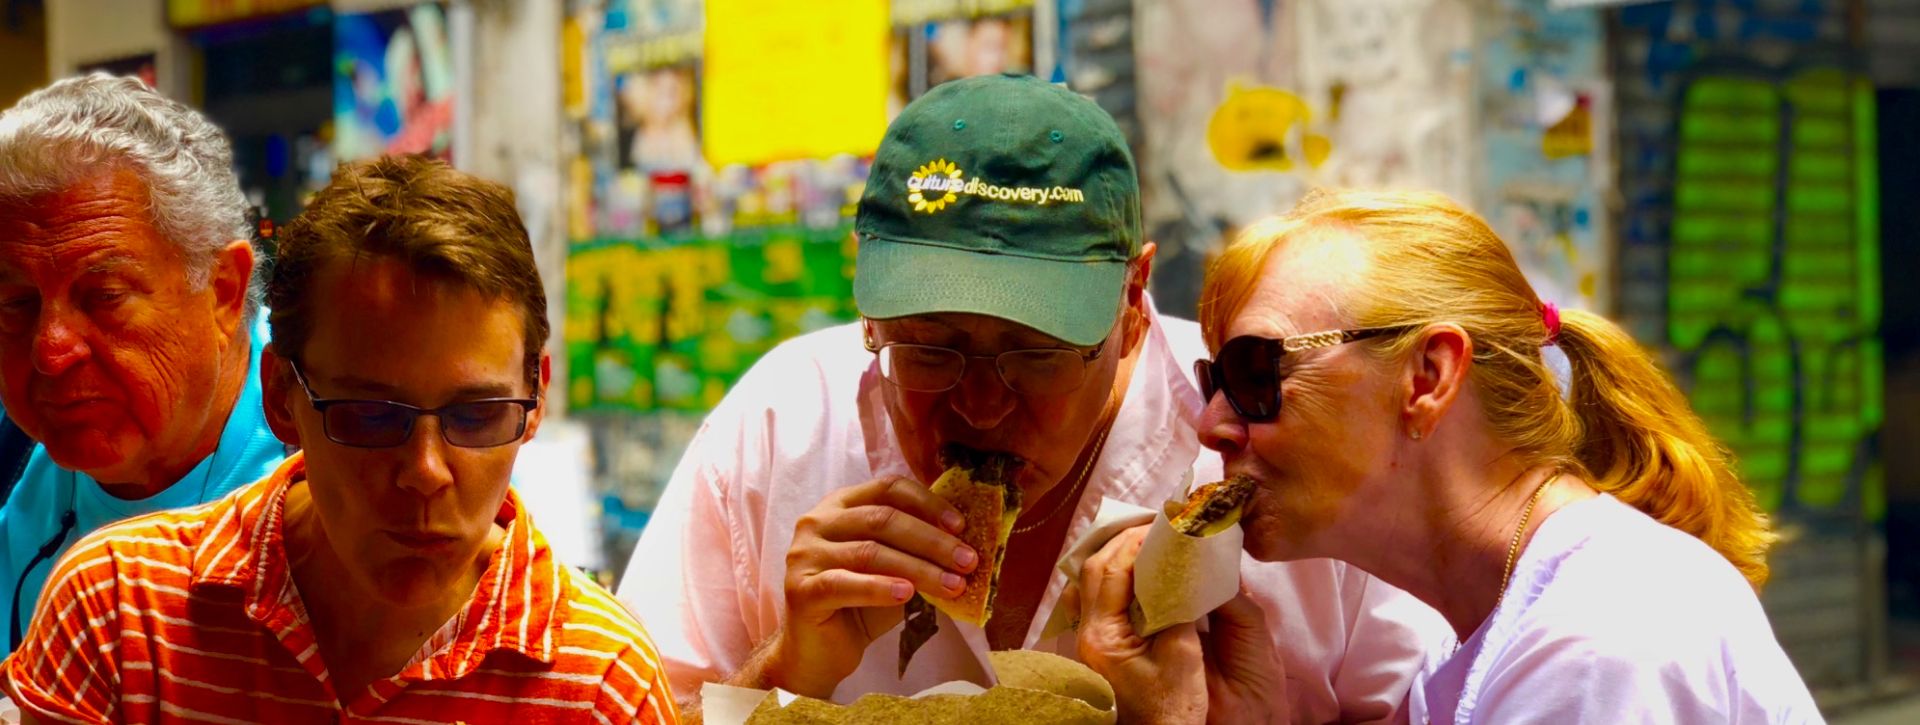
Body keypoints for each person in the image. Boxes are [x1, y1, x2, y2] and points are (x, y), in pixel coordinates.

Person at [617, 74, 1446, 722]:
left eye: (1038, 353)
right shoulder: (783, 427)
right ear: (870, 313)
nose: (979, 403)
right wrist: (782, 672)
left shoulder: (1267, 435)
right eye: (930, 347)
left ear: (1131, 303)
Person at [1081, 189, 1819, 722]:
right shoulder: (1477, 630)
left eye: (1253, 375)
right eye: (1214, 381)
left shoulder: (1593, 649)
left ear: (1428, 376)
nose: (1212, 423)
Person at [0, 156, 678, 724]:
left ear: (535, 400)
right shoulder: (120, 612)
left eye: (477, 416)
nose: (425, 471)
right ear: (280, 397)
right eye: (370, 415)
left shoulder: (599, 683)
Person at [0, 74, 286, 657]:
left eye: (104, 296)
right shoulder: (8, 457)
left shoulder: (348, 459)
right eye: (15, 304)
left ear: (224, 292)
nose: (50, 352)